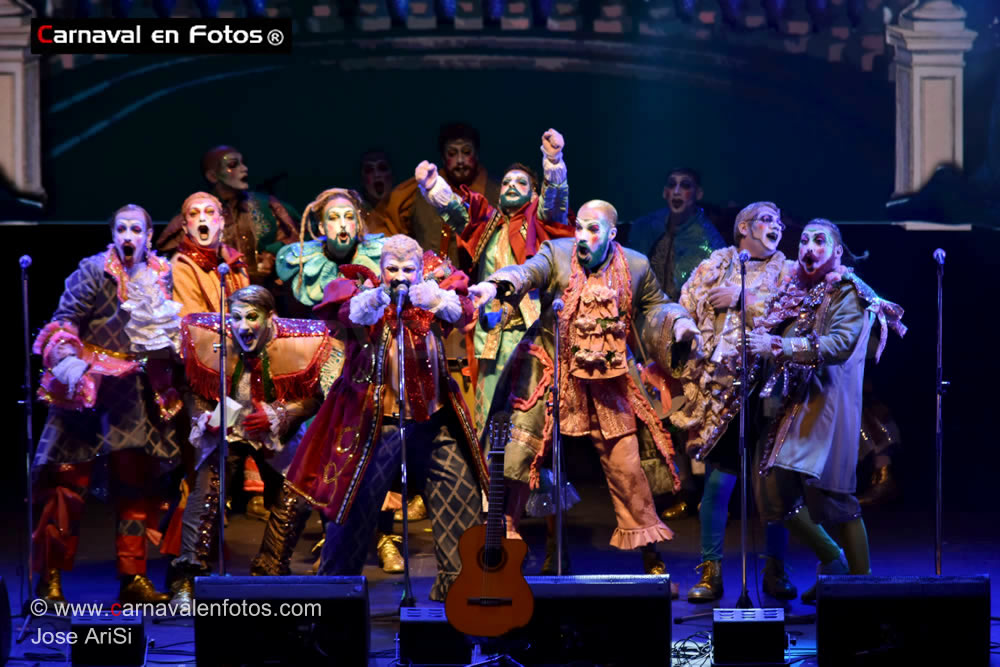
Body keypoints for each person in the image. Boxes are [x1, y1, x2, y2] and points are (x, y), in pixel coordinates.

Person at [469, 200, 703, 587]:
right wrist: (495, 285)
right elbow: (528, 272)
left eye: (593, 229)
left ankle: (651, 557)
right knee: (518, 454)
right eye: (579, 227)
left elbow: (657, 306)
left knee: (627, 464)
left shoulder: (635, 265)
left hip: (608, 375)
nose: (582, 236)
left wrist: (679, 323)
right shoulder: (557, 253)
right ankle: (503, 554)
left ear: (612, 234)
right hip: (550, 365)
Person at [285, 235, 489, 601]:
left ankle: (459, 598)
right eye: (392, 269)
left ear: (420, 270)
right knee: (353, 511)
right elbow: (344, 314)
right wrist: (376, 299)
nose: (400, 277)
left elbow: (465, 313)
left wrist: (437, 299)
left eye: (408, 270)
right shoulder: (366, 294)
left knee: (461, 498)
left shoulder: (431, 297)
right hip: (375, 427)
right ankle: (337, 602)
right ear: (381, 269)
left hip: (434, 422)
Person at [749, 219, 906, 603]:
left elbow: (838, 344)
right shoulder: (799, 290)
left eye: (819, 241)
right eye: (804, 240)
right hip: (792, 406)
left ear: (837, 251)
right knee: (773, 494)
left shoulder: (847, 290)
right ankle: (834, 561)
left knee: (833, 498)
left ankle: (863, 589)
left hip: (826, 407)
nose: (809, 247)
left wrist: (780, 347)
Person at [32, 204, 182, 604]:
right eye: (121, 229)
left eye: (136, 229)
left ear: (149, 236)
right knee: (66, 486)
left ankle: (133, 578)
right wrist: (67, 359)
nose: (128, 236)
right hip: (88, 389)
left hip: (132, 393)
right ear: (113, 234)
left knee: (135, 486)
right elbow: (64, 320)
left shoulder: (162, 274)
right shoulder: (93, 271)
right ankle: (49, 580)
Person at [170, 285, 331, 604]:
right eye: (236, 318)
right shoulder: (211, 339)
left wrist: (280, 414)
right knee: (206, 492)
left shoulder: (297, 342)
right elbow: (194, 388)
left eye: (252, 317)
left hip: (274, 430)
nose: (243, 326)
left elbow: (313, 397)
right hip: (228, 423)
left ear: (270, 317)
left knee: (294, 496)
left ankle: (270, 570)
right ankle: (188, 577)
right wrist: (204, 417)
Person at [667, 201, 795, 602]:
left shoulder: (788, 271)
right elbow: (685, 305)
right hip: (721, 390)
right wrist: (684, 327)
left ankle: (775, 569)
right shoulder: (714, 265)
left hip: (768, 389)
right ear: (744, 228)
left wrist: (743, 296)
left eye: (779, 221)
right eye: (766, 219)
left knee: (773, 488)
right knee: (719, 483)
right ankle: (712, 572)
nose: (776, 226)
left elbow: (790, 314)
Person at [620, 168, 726, 520]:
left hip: (686, 333)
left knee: (689, 409)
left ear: (697, 193)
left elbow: (708, 287)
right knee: (656, 409)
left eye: (686, 186)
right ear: (664, 192)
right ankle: (673, 489)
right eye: (672, 185)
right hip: (648, 331)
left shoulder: (706, 236)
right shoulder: (647, 228)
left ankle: (701, 492)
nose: (678, 191)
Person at [155, 145, 300, 285]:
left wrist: (273, 255)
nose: (244, 168)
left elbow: (294, 239)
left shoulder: (266, 206)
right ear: (212, 176)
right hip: (217, 290)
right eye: (232, 165)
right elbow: (174, 254)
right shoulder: (196, 213)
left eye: (243, 163)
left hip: (265, 291)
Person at [383, 122, 501, 269]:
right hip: (428, 277)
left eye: (466, 152)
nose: (460, 160)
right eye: (452, 154)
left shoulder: (496, 193)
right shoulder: (419, 191)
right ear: (443, 157)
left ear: (476, 154)